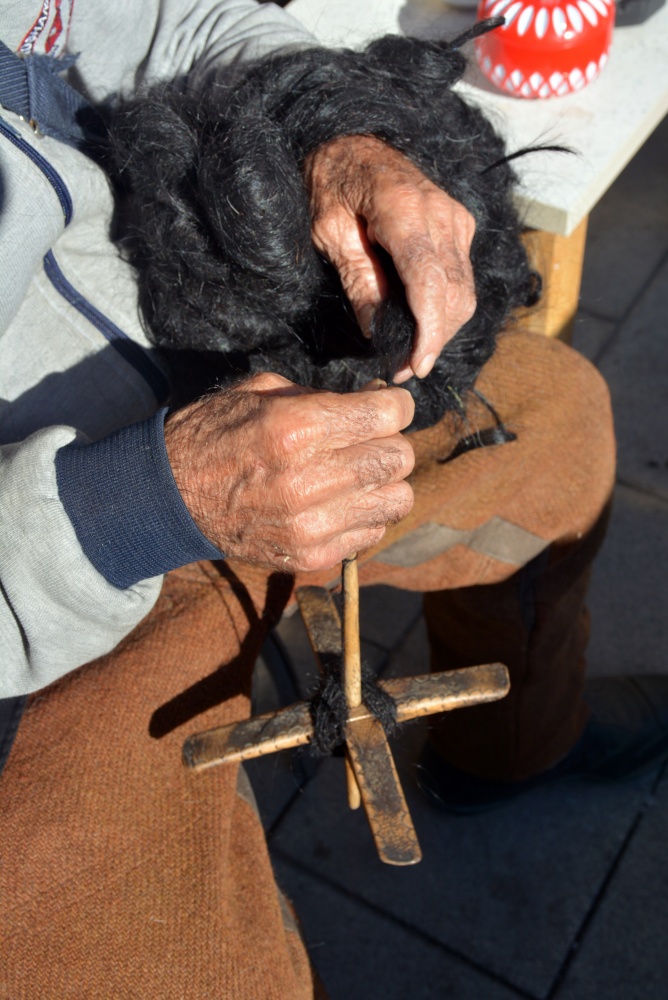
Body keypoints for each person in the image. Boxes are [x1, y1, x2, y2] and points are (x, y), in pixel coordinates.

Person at [1, 3, 667, 997]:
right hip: (54, 582)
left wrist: (332, 134)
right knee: (174, 965)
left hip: (241, 341)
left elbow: (180, 19)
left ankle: (508, 749)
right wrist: (138, 502)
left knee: (555, 429)